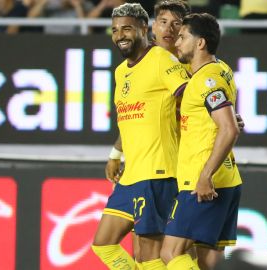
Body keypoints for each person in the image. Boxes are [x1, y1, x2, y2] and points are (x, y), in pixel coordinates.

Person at [92, 3, 190, 270]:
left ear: (143, 28)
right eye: (115, 30)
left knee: (150, 255)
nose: (120, 35)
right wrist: (115, 154)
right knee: (104, 244)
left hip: (157, 173)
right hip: (131, 174)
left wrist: (221, 114)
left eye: (126, 28)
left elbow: (191, 95)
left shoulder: (161, 59)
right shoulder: (121, 71)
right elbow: (130, 117)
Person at [160, 13, 242, 270]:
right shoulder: (222, 70)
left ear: (200, 43)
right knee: (208, 263)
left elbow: (229, 129)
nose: (177, 43)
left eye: (183, 37)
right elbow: (226, 121)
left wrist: (205, 175)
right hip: (227, 179)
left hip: (203, 182)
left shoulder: (206, 80)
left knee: (170, 253)